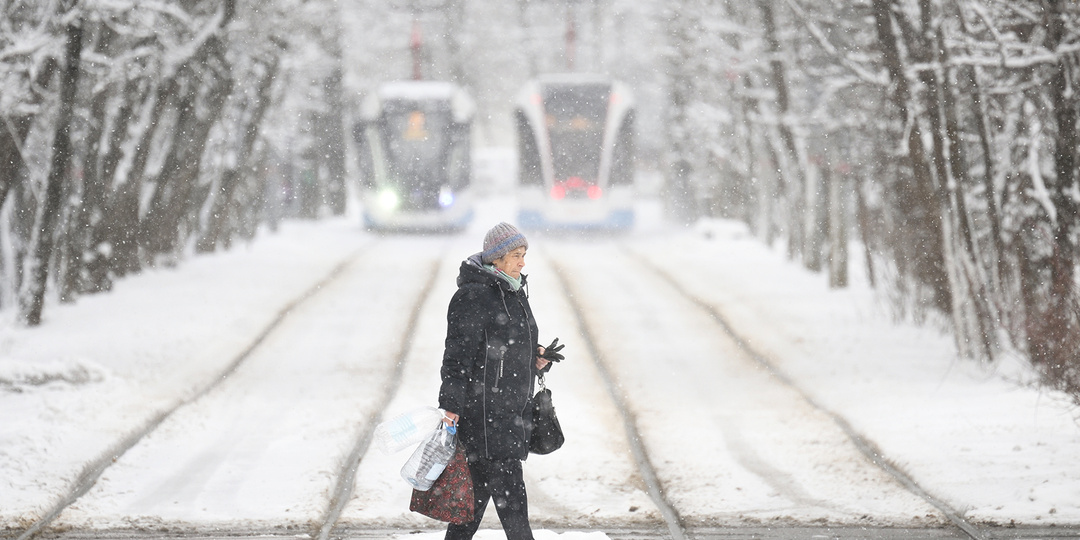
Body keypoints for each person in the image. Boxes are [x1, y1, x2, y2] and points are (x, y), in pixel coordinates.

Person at [438, 222, 555, 540]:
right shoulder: (474, 297)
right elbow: (456, 359)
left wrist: (537, 359)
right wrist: (451, 405)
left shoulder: (513, 292)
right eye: (517, 255)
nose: (522, 262)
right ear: (496, 259)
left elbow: (511, 348)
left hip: (508, 415)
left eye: (524, 254)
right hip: (487, 418)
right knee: (515, 514)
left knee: (467, 516)